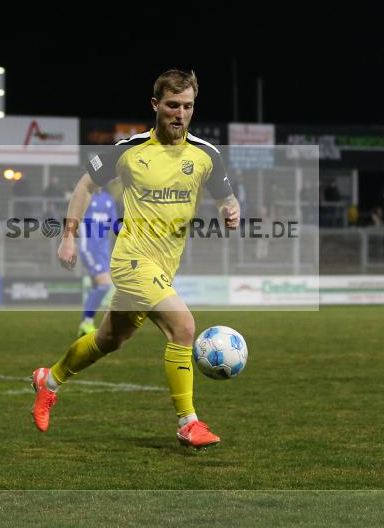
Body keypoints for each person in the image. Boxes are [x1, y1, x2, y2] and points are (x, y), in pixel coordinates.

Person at [31, 69, 239, 449]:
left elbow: (226, 196)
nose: (180, 114)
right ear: (156, 105)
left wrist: (231, 209)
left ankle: (49, 380)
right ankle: (188, 422)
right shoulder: (129, 150)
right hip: (131, 261)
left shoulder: (207, 155)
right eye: (173, 105)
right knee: (184, 328)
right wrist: (68, 237)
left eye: (188, 106)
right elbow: (84, 186)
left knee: (109, 340)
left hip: (164, 267)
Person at [77, 185, 117, 336]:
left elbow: (114, 224)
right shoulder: (86, 197)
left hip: (103, 250)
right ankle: (86, 322)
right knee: (105, 285)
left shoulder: (109, 200)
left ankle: (85, 324)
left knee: (98, 286)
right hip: (90, 248)